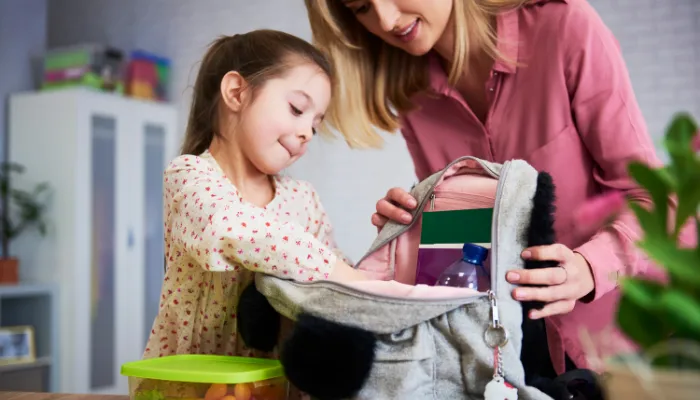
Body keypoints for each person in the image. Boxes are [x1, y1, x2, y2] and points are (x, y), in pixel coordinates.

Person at [303, 0, 677, 376]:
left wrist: (589, 268)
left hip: (628, 343)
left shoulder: (563, 26)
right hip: (512, 353)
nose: (385, 20)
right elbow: (470, 244)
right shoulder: (412, 91)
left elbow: (657, 200)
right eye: (361, 8)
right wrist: (411, 232)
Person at [144, 29, 366, 360]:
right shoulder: (189, 176)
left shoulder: (303, 199)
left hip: (273, 384)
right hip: (192, 383)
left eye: (316, 124)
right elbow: (229, 228)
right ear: (236, 93)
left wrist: (376, 265)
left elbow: (335, 280)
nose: (307, 132)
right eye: (296, 109)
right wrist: (335, 269)